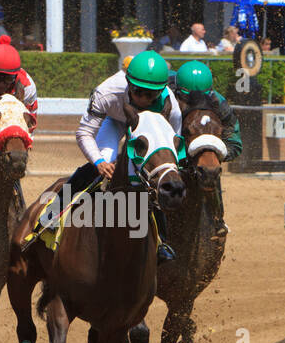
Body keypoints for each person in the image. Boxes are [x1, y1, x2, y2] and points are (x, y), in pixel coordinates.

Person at [49, 51, 183, 262]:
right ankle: (52, 214)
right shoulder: (107, 92)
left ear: (161, 91)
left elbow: (172, 143)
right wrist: (99, 162)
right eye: (138, 92)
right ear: (128, 83)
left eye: (152, 95)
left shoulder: (171, 105)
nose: (144, 99)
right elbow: (84, 133)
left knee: (151, 179)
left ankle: (161, 242)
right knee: (103, 162)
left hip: (148, 129)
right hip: (115, 120)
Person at [174, 59, 242, 239]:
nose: (196, 102)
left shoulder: (219, 104)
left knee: (210, 168)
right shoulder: (168, 99)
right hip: (172, 151)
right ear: (178, 91)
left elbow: (235, 142)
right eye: (188, 98)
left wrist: (213, 152)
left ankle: (217, 218)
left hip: (200, 152)